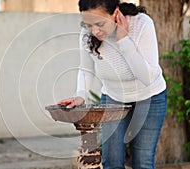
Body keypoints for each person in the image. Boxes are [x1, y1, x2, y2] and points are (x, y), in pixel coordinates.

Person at [57, 0, 167, 168]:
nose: (94, 31)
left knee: (142, 162)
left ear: (115, 13)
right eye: (88, 25)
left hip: (150, 98)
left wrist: (123, 39)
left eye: (99, 24)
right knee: (112, 161)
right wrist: (80, 95)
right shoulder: (87, 34)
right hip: (113, 98)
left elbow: (146, 77)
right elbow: (86, 70)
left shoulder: (141, 23)